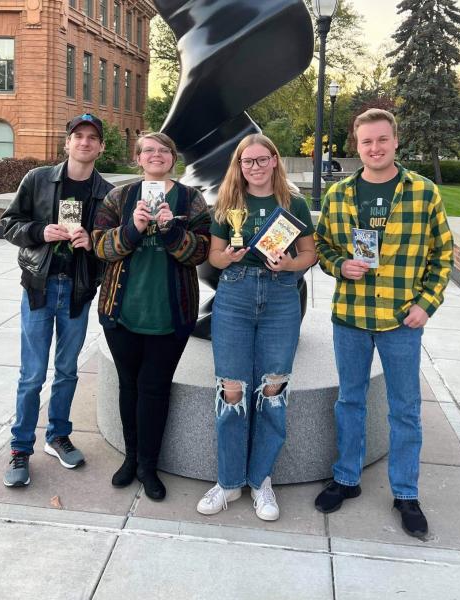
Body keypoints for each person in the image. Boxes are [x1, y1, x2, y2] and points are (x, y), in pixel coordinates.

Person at [313, 108, 453, 537]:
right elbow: (320, 245)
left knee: (405, 409)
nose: (374, 148)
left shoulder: (423, 193)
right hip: (351, 317)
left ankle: (406, 492)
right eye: (366, 141)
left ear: (395, 141)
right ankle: (347, 478)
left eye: (381, 140)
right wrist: (339, 265)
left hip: (401, 321)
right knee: (350, 401)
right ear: (356, 146)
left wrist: (426, 305)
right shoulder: (338, 195)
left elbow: (441, 256)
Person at [196, 133, 316, 521]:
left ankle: (261, 480)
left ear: (275, 161)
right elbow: (213, 254)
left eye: (263, 160)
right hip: (235, 296)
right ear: (239, 165)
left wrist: (289, 265)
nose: (256, 167)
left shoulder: (292, 202)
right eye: (248, 161)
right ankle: (229, 482)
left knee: (273, 386)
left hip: (281, 297)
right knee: (231, 388)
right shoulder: (228, 203)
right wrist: (227, 258)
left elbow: (310, 253)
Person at [92, 133, 211, 501]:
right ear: (138, 158)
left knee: (155, 389)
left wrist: (172, 229)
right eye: (149, 151)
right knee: (129, 386)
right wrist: (133, 228)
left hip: (170, 314)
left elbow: (201, 251)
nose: (156, 155)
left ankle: (149, 464)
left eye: (163, 150)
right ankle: (131, 459)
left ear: (172, 158)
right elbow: (101, 246)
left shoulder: (191, 199)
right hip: (122, 311)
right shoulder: (119, 196)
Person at [1, 113, 113, 487]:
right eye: (77, 136)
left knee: (67, 370)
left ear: (100, 147)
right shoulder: (38, 180)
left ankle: (58, 435)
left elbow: (113, 246)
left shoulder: (108, 193)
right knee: (32, 375)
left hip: (77, 292)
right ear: (67, 143)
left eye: (91, 138)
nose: (84, 142)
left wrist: (92, 244)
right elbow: (9, 224)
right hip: (39, 287)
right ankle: (20, 448)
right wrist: (38, 231)